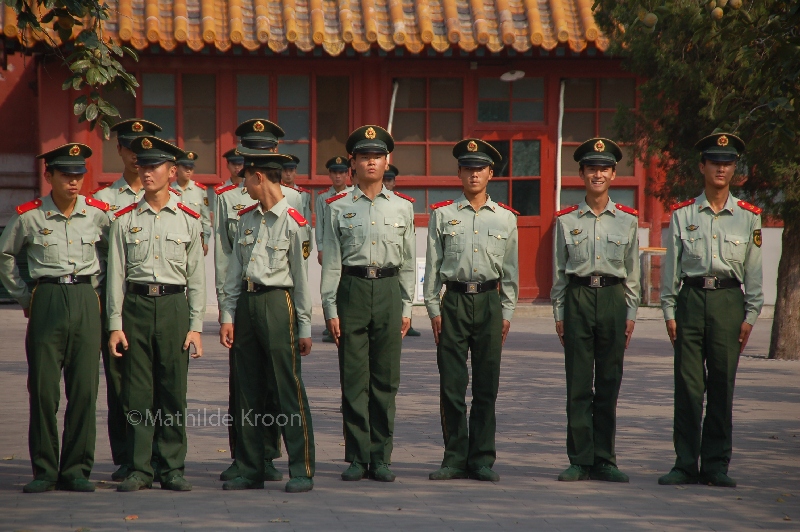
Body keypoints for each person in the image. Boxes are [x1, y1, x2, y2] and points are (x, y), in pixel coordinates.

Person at [0, 144, 109, 493]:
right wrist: (23, 295)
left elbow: (114, 252)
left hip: (85, 297)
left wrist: (102, 292)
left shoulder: (97, 214)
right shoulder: (30, 216)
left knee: (84, 389)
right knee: (44, 390)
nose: (74, 182)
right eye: (66, 175)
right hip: (46, 297)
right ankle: (45, 470)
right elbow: (5, 254)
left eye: (79, 175)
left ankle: (76, 469)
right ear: (49, 176)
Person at [658, 133, 763, 488]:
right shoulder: (683, 214)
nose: (721, 168)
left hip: (728, 303)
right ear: (702, 166)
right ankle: (685, 464)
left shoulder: (748, 217)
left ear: (734, 169)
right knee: (688, 386)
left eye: (728, 162)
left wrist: (750, 315)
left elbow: (754, 271)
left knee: (722, 384)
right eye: (715, 162)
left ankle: (716, 465)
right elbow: (672, 268)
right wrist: (669, 312)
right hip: (690, 300)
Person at [106, 136, 205, 492]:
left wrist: (196, 327)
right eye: (142, 166)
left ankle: (172, 466)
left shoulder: (189, 219)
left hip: (174, 307)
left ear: (172, 172)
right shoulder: (124, 219)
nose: (146, 172)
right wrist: (114, 325)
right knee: (136, 392)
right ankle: (140, 467)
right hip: (135, 307)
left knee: (172, 390)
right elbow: (115, 276)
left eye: (154, 167)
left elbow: (197, 278)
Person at [321, 125, 415, 482]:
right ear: (353, 163)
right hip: (353, 290)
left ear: (387, 161)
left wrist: (407, 307)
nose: (371, 162)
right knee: (353, 377)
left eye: (377, 156)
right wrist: (330, 308)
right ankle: (358, 456)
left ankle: (381, 457)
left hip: (389, 290)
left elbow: (408, 263)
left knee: (386, 378)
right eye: (364, 156)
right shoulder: (337, 207)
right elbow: (332, 262)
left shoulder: (403, 207)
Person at [218, 152, 315, 493]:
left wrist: (304, 326)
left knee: (287, 387)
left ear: (259, 177)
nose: (243, 185)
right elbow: (234, 271)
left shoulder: (294, 223)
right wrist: (227, 315)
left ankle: (302, 469)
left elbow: (302, 281)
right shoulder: (246, 219)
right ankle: (250, 468)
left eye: (246, 178)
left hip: (277, 303)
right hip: (247, 304)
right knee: (247, 389)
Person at [424, 139, 518, 482]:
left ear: (491, 173)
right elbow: (433, 268)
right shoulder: (442, 215)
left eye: (480, 168)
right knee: (451, 384)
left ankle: (481, 459)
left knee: (486, 385)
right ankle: (454, 457)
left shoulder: (506, 218)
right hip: (454, 302)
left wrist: (506, 313)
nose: (474, 174)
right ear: (459, 172)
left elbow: (511, 273)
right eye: (468, 168)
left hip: (490, 302)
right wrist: (433, 308)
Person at [551, 138, 640, 483]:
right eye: (591, 168)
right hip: (578, 298)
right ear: (581, 173)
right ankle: (579, 459)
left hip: (614, 299)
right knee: (577, 382)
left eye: (604, 168)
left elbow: (632, 274)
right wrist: (559, 315)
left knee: (608, 382)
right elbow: (559, 273)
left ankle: (604, 459)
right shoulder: (566, 220)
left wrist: (631, 315)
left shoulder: (627, 220)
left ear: (614, 174)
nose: (597, 174)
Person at [92, 119, 163, 480]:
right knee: (121, 381)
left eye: (144, 148)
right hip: (118, 299)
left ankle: (160, 456)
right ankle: (126, 456)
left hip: (160, 302)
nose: (138, 156)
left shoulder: (172, 197)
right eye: (131, 147)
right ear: (119, 150)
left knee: (161, 381)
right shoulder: (104, 201)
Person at [382, 164, 422, 337]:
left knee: (405, 283)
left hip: (399, 252)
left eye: (390, 180)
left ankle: (407, 319)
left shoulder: (403, 204)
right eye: (385, 179)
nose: (387, 183)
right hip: (384, 256)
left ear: (394, 182)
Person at [317, 156, 352, 343]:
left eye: (341, 172)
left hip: (348, 248)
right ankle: (330, 324)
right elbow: (320, 225)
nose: (338, 176)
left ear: (347, 174)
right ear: (329, 174)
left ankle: (345, 323)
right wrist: (320, 248)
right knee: (330, 284)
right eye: (335, 172)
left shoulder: (353, 195)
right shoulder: (323, 197)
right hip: (330, 247)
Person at [172, 151, 211, 256]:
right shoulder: (169, 190)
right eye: (185, 167)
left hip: (196, 239)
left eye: (191, 168)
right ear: (176, 168)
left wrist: (205, 241)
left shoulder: (200, 190)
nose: (188, 171)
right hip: (175, 239)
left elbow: (205, 218)